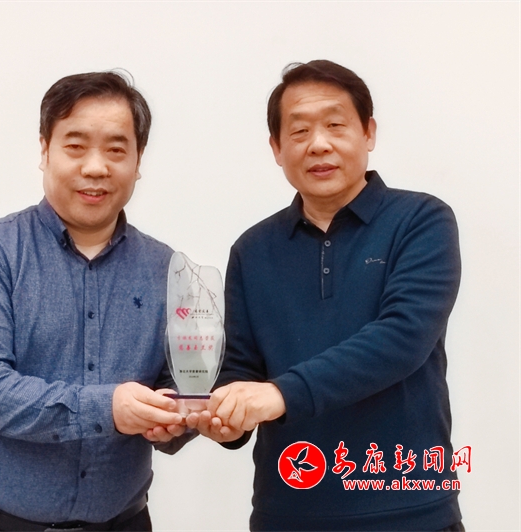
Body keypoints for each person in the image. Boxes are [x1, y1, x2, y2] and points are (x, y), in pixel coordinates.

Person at [189, 60, 464, 531]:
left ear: (368, 132)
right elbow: (240, 368)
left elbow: (402, 339)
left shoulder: (421, 221)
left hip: (409, 511)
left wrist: (280, 394)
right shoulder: (253, 249)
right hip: (287, 512)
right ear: (277, 148)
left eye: (336, 125)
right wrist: (226, 418)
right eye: (299, 131)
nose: (318, 144)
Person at [0, 71, 188, 532]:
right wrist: (108, 408)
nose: (95, 167)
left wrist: (177, 417)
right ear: (45, 150)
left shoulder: (167, 268)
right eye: (76, 146)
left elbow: (177, 379)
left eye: (116, 150)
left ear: (138, 160)